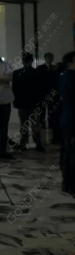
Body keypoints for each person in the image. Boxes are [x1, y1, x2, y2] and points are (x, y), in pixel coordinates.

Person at [11, 52, 46, 152]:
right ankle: (38, 144)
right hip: (35, 103)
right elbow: (41, 89)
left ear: (22, 61)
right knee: (36, 124)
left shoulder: (17, 73)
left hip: (22, 102)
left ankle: (23, 143)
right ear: (32, 61)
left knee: (23, 124)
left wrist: (15, 102)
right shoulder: (37, 72)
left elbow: (14, 89)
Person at [58, 51, 75, 194]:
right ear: (70, 62)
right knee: (71, 152)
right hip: (72, 118)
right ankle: (70, 184)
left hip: (66, 117)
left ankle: (66, 182)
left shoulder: (63, 75)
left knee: (67, 150)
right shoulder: (70, 76)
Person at [38, 52, 61, 144]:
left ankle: (53, 139)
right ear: (45, 58)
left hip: (53, 97)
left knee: (53, 118)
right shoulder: (40, 68)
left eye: (51, 57)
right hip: (43, 97)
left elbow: (57, 83)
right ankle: (43, 139)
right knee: (42, 117)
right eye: (48, 57)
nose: (50, 59)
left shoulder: (55, 69)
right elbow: (40, 84)